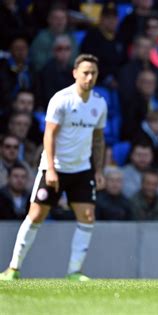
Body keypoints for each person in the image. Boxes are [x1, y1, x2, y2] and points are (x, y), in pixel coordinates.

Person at [0, 54, 107, 281]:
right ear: (75, 73)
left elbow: (98, 139)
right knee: (37, 214)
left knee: (87, 215)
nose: (89, 77)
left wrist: (98, 169)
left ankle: (74, 272)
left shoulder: (99, 103)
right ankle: (13, 268)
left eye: (94, 73)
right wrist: (50, 168)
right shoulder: (62, 99)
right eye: (85, 72)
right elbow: (49, 134)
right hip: (55, 167)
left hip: (82, 169)